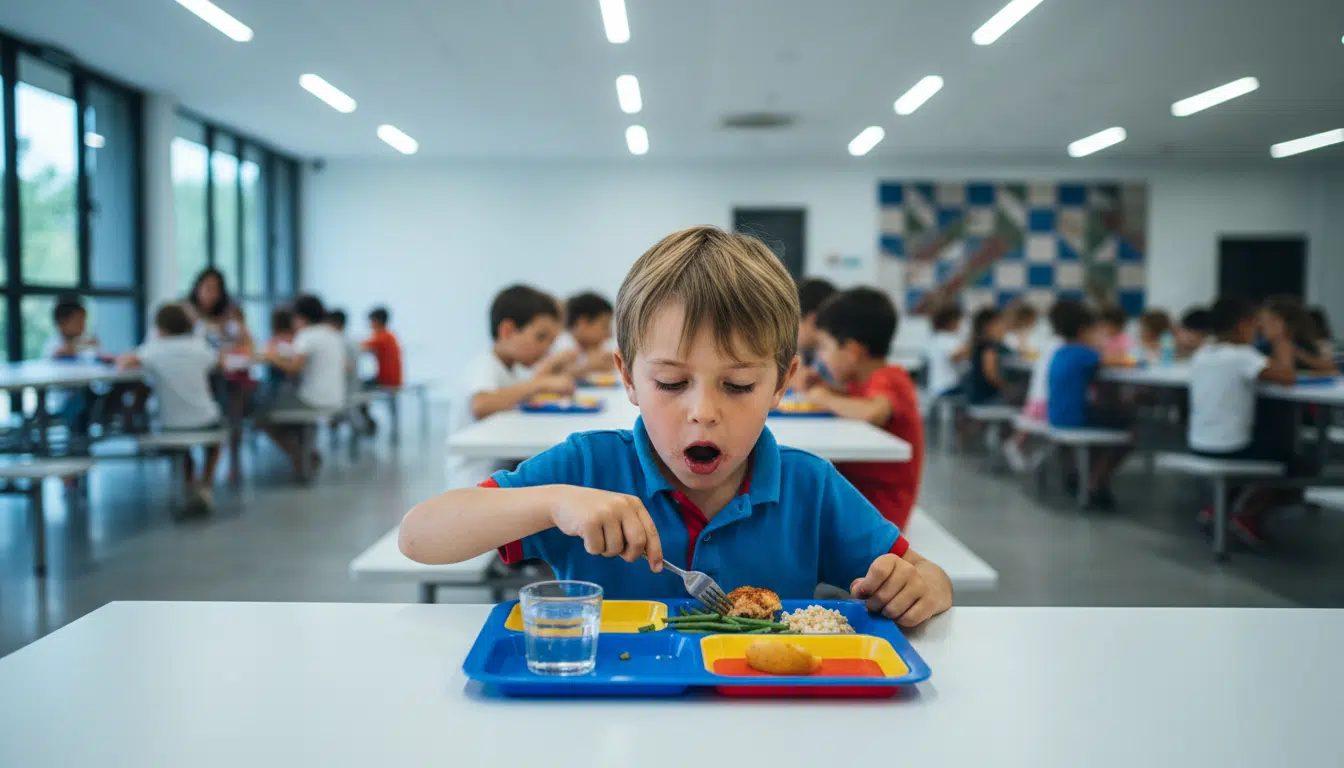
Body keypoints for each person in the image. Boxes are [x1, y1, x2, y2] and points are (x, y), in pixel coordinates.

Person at [401, 226, 953, 627]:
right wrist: (553, 503)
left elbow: (929, 578)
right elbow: (419, 536)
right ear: (629, 378)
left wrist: (915, 588)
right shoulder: (589, 469)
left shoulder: (809, 488)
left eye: (737, 386)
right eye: (670, 383)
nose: (703, 411)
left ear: (782, 384)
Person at [805, 287, 923, 530]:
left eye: (824, 347)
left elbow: (873, 412)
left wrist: (823, 396)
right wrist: (826, 388)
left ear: (852, 352)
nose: (821, 357)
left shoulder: (889, 378)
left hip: (880, 511)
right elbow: (856, 401)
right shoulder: (863, 383)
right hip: (862, 499)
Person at [1189, 297, 1298, 546]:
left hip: (1199, 443)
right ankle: (1248, 516)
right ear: (1242, 325)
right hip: (1230, 447)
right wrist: (1282, 340)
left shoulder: (1203, 353)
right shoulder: (1242, 356)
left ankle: (1216, 510)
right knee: (1295, 461)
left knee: (1252, 446)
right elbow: (1288, 376)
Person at [453, 285, 577, 487]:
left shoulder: (514, 368)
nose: (547, 348)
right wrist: (541, 384)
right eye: (540, 337)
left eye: (551, 341)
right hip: (476, 481)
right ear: (507, 331)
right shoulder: (484, 364)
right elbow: (481, 405)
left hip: (504, 471)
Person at [118, 304, 224, 514]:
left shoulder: (154, 349)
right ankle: (205, 484)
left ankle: (190, 481)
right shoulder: (199, 346)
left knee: (182, 449)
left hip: (170, 423)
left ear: (161, 328)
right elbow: (219, 363)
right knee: (215, 437)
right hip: (206, 419)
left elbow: (125, 362)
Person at [1046, 300, 1133, 509]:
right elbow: (1118, 361)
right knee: (1131, 431)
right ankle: (1095, 482)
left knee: (1110, 417)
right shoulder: (1083, 353)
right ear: (1084, 330)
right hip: (1075, 417)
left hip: (1058, 415)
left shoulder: (1061, 352)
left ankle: (1089, 478)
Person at [261, 295, 349, 477]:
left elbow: (294, 368)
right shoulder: (333, 333)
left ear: (301, 317)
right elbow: (346, 365)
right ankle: (307, 452)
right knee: (288, 408)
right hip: (336, 397)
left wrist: (272, 357)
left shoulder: (306, 335)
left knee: (262, 416)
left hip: (312, 399)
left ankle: (299, 455)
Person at [186, 267, 255, 485]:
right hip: (193, 380)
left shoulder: (229, 316)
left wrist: (237, 325)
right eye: (207, 288)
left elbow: (249, 345)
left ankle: (212, 474)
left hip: (225, 378)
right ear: (197, 288)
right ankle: (193, 478)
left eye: (216, 289)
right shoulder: (185, 314)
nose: (211, 294)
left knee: (233, 402)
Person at [1002, 301, 1067, 471]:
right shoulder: (1057, 345)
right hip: (1040, 399)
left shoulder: (1048, 342)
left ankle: (1022, 445)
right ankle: (1022, 446)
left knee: (1032, 407)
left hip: (1035, 397)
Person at [1258, 296, 1338, 374]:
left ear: (1288, 323)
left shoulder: (1303, 344)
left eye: (1270, 320)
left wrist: (1303, 357)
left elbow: (1332, 368)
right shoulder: (1261, 348)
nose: (1261, 325)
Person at [790, 277, 838, 391]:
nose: (787, 332)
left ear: (812, 320)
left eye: (791, 322)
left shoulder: (832, 360)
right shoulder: (811, 356)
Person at [561, 292, 616, 375]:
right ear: (583, 323)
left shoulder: (588, 351)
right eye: (605, 326)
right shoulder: (559, 347)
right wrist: (587, 366)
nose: (610, 334)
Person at [965, 307, 1011, 405]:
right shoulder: (989, 348)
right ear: (990, 326)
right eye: (1001, 325)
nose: (1004, 329)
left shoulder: (977, 344)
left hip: (976, 396)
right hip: (986, 399)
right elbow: (991, 374)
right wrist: (1007, 388)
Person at [924, 303, 966, 400]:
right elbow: (955, 356)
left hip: (934, 389)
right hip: (948, 388)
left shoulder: (933, 339)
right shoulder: (948, 339)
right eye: (959, 321)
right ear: (952, 322)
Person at [363, 307, 403, 389]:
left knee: (358, 386)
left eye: (371, 322)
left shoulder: (382, 336)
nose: (370, 326)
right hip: (395, 379)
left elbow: (361, 347)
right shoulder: (390, 336)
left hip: (387, 381)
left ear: (377, 322)